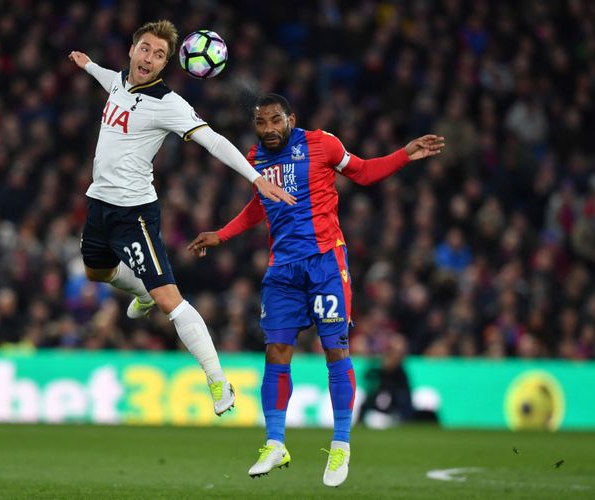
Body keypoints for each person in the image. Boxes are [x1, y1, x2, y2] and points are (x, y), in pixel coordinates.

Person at [188, 94, 444, 486]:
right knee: (275, 350)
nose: (269, 129)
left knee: (335, 348)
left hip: (325, 262)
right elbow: (261, 203)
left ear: (291, 118)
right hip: (282, 270)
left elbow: (363, 172)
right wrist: (222, 234)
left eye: (275, 120)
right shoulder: (256, 156)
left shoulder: (323, 143)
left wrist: (404, 155)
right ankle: (275, 443)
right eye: (261, 123)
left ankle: (341, 444)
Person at [68, 21, 295, 417]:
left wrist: (256, 178)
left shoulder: (168, 103)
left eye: (159, 55)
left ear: (166, 64)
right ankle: (140, 292)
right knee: (96, 273)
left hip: (134, 213)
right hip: (99, 204)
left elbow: (214, 141)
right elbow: (110, 81)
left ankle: (217, 379)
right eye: (145, 49)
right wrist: (88, 66)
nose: (149, 58)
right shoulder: (121, 79)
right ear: (132, 49)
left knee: (168, 298)